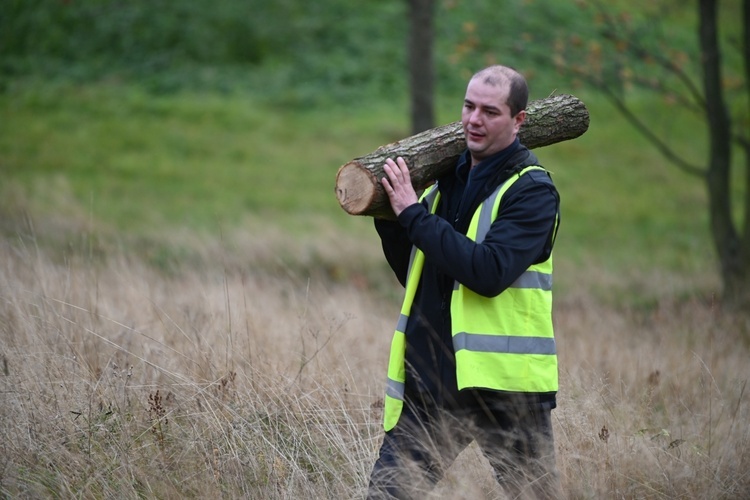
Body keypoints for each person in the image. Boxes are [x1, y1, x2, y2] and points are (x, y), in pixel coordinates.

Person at [367, 65, 561, 499]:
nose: (474, 119)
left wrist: (413, 215)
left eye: (490, 111)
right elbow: (421, 277)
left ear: (519, 120)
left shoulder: (532, 191)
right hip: (433, 382)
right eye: (469, 106)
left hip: (506, 393)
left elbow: (487, 273)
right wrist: (392, 219)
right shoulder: (444, 183)